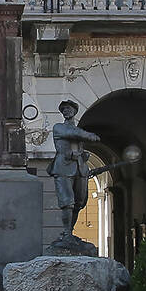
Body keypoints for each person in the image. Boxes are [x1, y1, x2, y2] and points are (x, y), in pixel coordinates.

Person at [49, 100, 102, 237]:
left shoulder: (76, 130)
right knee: (67, 202)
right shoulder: (59, 127)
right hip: (63, 167)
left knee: (79, 202)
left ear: (74, 112)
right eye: (64, 109)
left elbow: (78, 137)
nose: (67, 111)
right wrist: (91, 135)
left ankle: (70, 233)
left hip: (80, 167)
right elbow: (73, 134)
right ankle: (66, 233)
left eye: (69, 108)